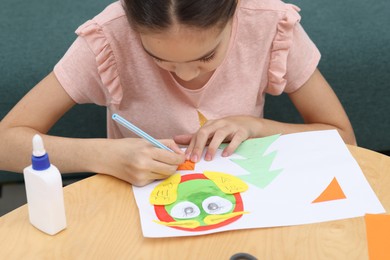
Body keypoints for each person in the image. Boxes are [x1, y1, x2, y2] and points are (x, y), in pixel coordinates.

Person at [0, 0, 356, 186]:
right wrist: (101, 154)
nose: (186, 73)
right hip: (137, 207)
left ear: (234, 13)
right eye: (159, 59)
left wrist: (256, 127)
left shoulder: (267, 22)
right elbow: (5, 143)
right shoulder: (110, 37)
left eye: (207, 57)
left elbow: (344, 140)